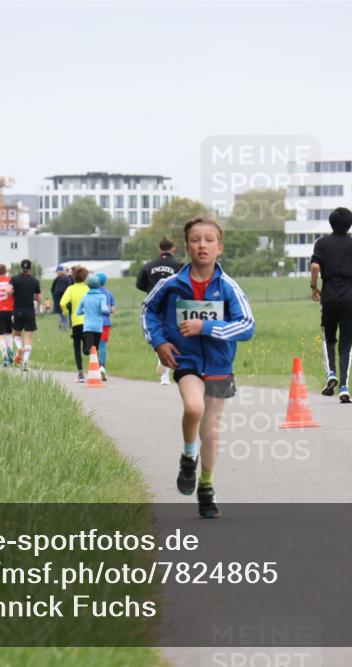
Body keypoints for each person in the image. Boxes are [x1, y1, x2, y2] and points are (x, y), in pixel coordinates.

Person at [142, 214, 254, 518]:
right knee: (193, 408)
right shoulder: (171, 284)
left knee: (211, 431)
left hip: (219, 363)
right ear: (186, 248)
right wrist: (160, 342)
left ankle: (206, 486)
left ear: (219, 247)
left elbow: (247, 325)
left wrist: (207, 328)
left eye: (208, 240)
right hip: (187, 360)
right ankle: (188, 457)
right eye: (195, 240)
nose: (202, 245)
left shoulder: (228, 287)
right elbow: (148, 311)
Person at [309, 207, 352, 404]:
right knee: (347, 345)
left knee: (328, 338)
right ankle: (344, 387)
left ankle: (331, 373)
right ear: (350, 224)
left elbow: (315, 266)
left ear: (331, 223)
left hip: (329, 296)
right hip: (350, 297)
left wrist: (314, 287)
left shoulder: (321, 243)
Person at [137, 238, 183, 385]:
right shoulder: (178, 266)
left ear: (160, 249)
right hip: (171, 305)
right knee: (170, 337)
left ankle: (162, 364)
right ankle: (166, 375)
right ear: (173, 249)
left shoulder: (148, 266)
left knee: (158, 336)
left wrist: (152, 291)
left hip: (154, 305)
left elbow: (140, 284)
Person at [77, 274, 111, 380]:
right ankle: (99, 369)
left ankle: (98, 369)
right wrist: (105, 311)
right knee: (95, 349)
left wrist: (85, 311)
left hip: (88, 327)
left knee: (90, 350)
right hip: (98, 327)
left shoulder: (85, 297)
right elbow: (105, 309)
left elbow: (78, 312)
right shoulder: (102, 297)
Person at [9, 259, 41, 371]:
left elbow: (8, 290)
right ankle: (26, 363)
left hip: (17, 311)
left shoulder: (14, 279)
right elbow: (38, 298)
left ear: (21, 268)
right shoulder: (35, 281)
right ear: (30, 268)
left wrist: (11, 294)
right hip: (29, 311)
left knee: (16, 334)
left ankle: (19, 348)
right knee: (28, 337)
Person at [59, 266, 90, 381]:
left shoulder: (70, 289)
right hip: (88, 321)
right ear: (85, 277)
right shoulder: (87, 289)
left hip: (76, 322)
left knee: (76, 347)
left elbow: (62, 303)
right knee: (87, 345)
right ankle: (87, 349)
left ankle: (80, 373)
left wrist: (66, 311)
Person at [96, 272, 117, 372]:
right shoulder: (109, 293)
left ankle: (95, 366)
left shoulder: (92, 292)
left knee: (94, 346)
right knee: (103, 345)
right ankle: (103, 367)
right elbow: (113, 309)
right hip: (106, 323)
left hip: (94, 322)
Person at [51, 264, 73, 329]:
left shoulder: (63, 279)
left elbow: (61, 290)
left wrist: (56, 293)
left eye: (57, 271)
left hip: (62, 301)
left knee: (64, 316)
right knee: (62, 316)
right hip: (61, 301)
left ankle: (65, 329)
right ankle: (63, 328)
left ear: (60, 271)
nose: (57, 273)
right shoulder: (62, 278)